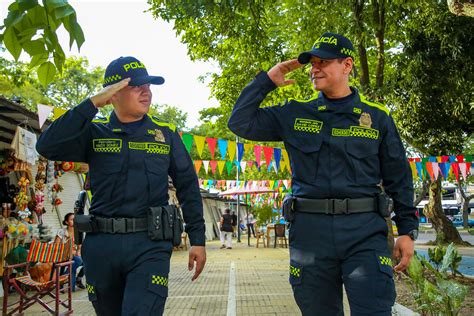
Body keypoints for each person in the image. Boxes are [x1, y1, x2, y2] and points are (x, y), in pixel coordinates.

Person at [228, 32, 418, 315]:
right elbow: (240, 122)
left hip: (364, 231)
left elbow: (398, 176)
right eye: (312, 63)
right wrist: (266, 81)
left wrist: (407, 231)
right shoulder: (296, 114)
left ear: (347, 65)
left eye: (323, 62)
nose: (314, 69)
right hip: (310, 233)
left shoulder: (377, 117)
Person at [36, 56, 206, 315]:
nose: (146, 91)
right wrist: (92, 103)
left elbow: (188, 186)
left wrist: (198, 239)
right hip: (101, 246)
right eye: (136, 86)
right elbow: (46, 146)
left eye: (148, 86)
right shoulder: (94, 133)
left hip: (150, 244)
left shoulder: (165, 134)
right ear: (113, 94)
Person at [55, 213, 85, 291]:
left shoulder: (78, 232)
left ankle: (77, 279)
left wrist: (78, 251)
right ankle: (64, 279)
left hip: (74, 255)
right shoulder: (62, 231)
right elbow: (56, 245)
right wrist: (69, 251)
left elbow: (79, 247)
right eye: (72, 219)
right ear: (67, 222)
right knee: (79, 260)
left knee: (89, 262)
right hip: (63, 254)